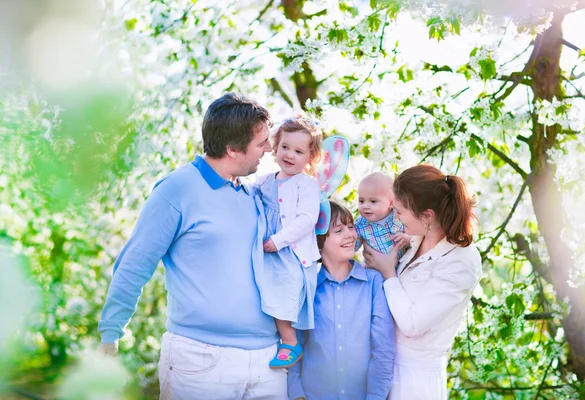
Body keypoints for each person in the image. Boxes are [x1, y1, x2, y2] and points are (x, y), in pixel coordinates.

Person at [97, 93, 288, 399]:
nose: (269, 149)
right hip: (201, 361)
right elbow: (136, 263)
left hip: (268, 362)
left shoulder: (254, 194)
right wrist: (111, 332)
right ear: (233, 149)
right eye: (261, 142)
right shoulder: (177, 190)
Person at [363, 164, 483, 400]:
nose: (394, 218)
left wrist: (389, 273)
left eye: (399, 212)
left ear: (427, 215)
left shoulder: (461, 261)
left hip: (413, 380)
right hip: (385, 364)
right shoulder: (418, 239)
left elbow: (412, 325)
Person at [288, 201, 395, 400]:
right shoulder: (307, 289)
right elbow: (295, 347)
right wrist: (297, 395)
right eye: (338, 230)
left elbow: (383, 351)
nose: (350, 235)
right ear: (319, 242)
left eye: (351, 226)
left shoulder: (373, 283)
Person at [253, 117, 322, 368]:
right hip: (268, 250)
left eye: (298, 151)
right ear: (275, 147)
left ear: (310, 158)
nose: (290, 154)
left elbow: (306, 219)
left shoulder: (306, 185)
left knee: (284, 290)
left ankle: (290, 341)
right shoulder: (264, 181)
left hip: (291, 253)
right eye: (285, 147)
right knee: (263, 289)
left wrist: (278, 240)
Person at [354, 172, 410, 258]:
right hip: (375, 269)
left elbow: (416, 235)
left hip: (403, 265)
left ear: (391, 203)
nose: (365, 206)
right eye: (361, 201)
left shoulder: (399, 215)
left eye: (373, 201)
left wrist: (408, 238)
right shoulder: (360, 224)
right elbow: (353, 246)